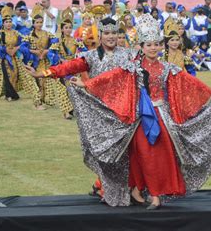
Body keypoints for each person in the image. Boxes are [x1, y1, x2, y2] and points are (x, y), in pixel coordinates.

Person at [67, 15, 211, 209]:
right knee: (144, 155)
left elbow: (187, 82)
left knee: (162, 155)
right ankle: (145, 191)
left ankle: (147, 191)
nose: (153, 48)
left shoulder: (167, 68)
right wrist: (87, 83)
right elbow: (111, 78)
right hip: (140, 118)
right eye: (149, 45)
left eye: (157, 44)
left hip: (162, 117)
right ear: (141, 46)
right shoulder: (133, 67)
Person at [25, 16, 139, 198]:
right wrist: (42, 74)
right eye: (107, 33)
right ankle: (104, 184)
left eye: (114, 33)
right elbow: (67, 67)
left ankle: (105, 184)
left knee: (124, 151)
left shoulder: (128, 55)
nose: (111, 37)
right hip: (98, 110)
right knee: (103, 150)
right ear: (100, 35)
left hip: (123, 109)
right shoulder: (91, 56)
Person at [0, 8, 41, 105]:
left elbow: (24, 42)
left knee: (15, 75)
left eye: (10, 22)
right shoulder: (1, 34)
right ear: (3, 24)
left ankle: (13, 93)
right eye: (6, 22)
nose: (9, 24)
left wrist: (16, 48)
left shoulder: (16, 33)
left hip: (15, 57)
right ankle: (9, 95)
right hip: (5, 58)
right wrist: (5, 49)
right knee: (9, 75)